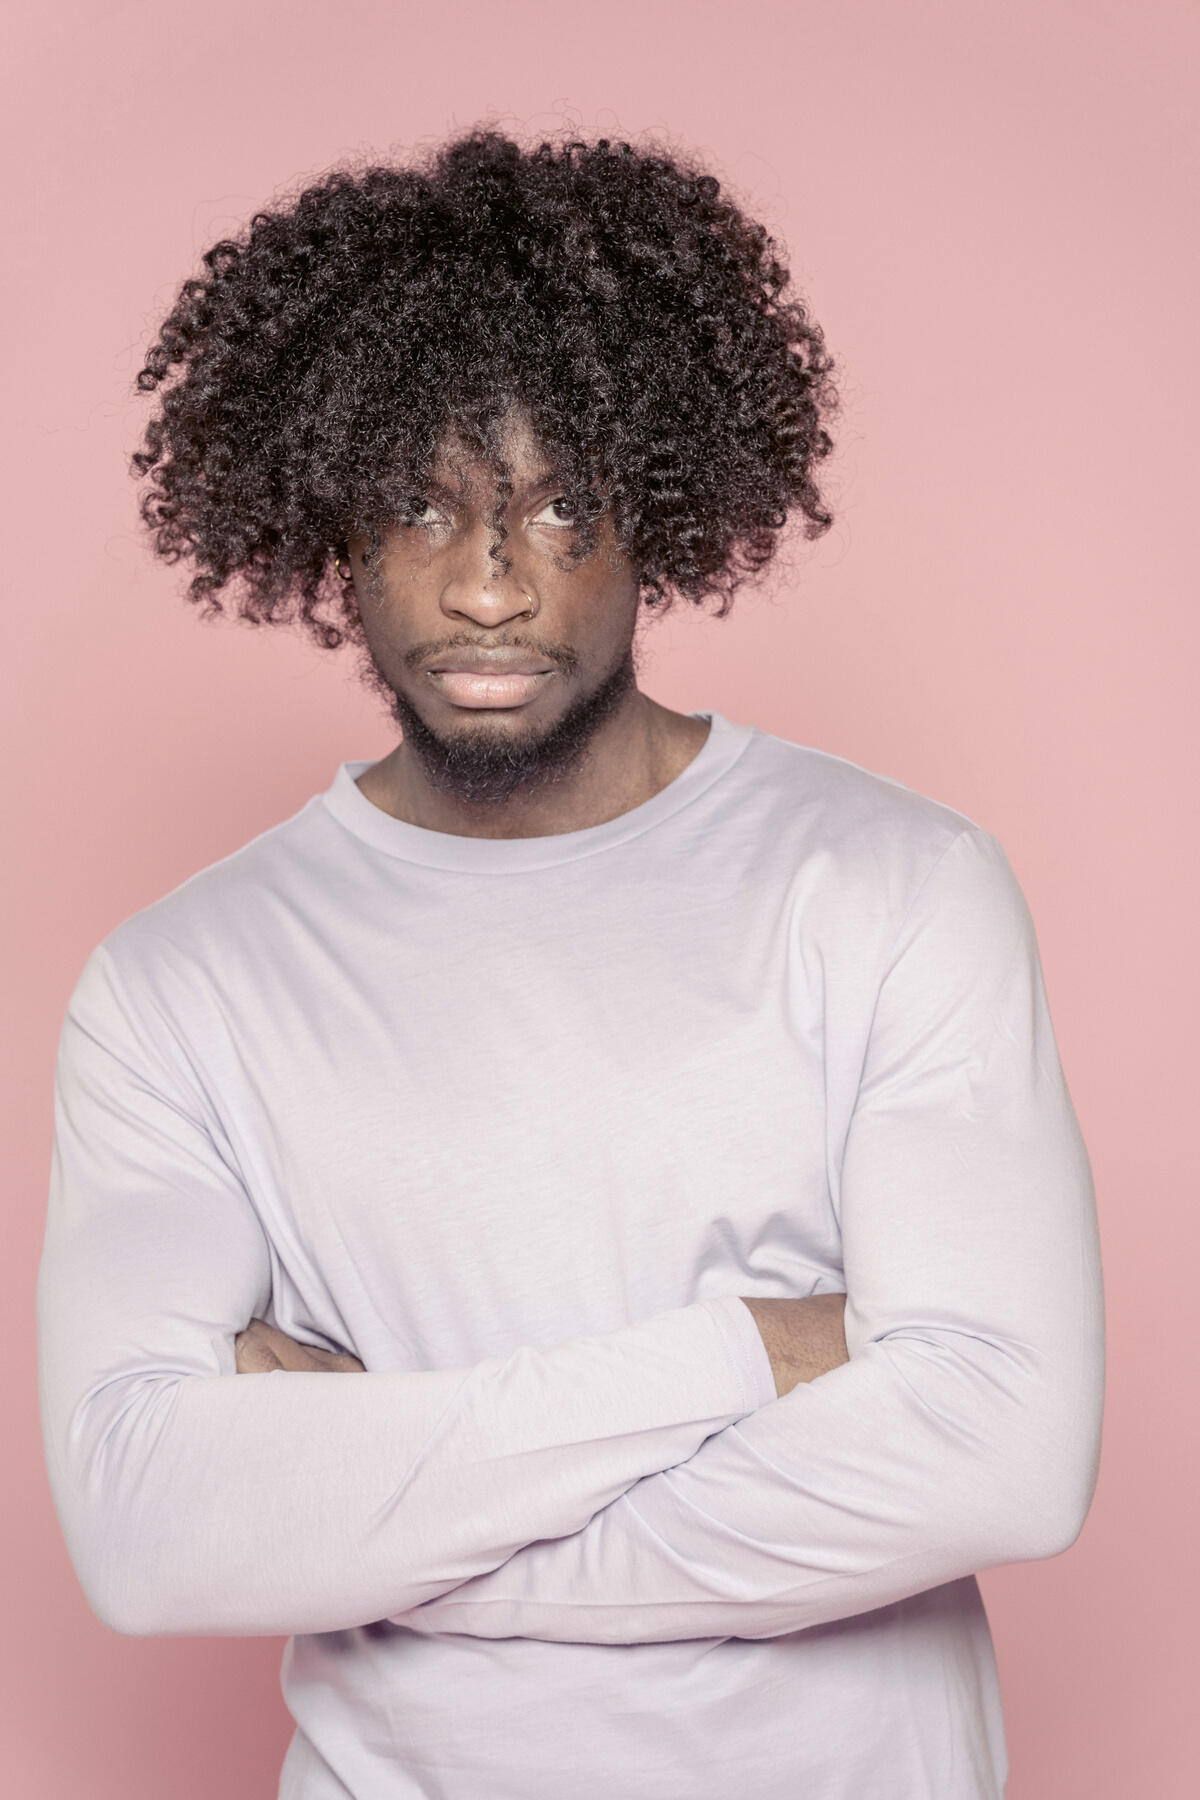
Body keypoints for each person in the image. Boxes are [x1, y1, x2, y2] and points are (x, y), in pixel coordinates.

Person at [37, 131, 1104, 1800]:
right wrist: (748, 1355)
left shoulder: (894, 885)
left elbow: (1007, 1458)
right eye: (421, 505)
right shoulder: (176, 987)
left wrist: (398, 1526)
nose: (488, 585)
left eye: (557, 505)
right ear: (331, 524)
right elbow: (147, 1530)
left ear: (659, 515)